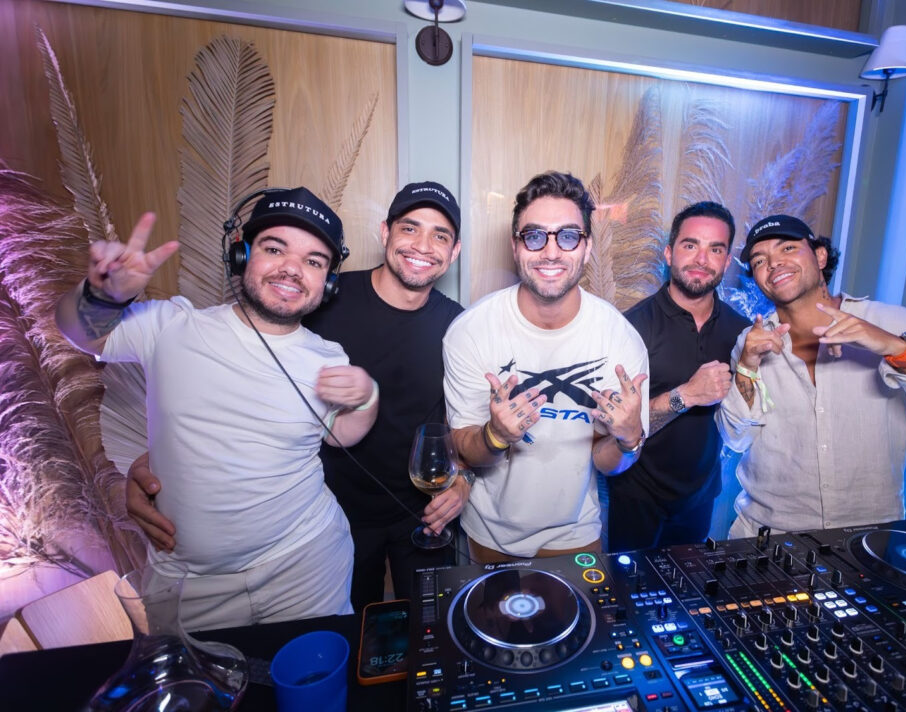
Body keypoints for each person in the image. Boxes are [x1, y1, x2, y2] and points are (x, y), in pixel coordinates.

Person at [125, 182, 468, 613]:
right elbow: (239, 388)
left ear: (454, 252)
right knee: (351, 639)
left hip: (418, 514)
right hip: (331, 512)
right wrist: (156, 463)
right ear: (385, 232)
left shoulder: (460, 326)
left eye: (440, 235)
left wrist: (463, 480)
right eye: (410, 228)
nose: (422, 245)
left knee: (431, 628)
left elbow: (462, 419)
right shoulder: (313, 297)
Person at [56, 187, 378, 630]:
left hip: (306, 565)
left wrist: (367, 395)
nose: (292, 268)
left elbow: (343, 435)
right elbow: (80, 333)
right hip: (192, 586)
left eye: (314, 261)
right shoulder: (171, 326)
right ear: (241, 255)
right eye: (274, 249)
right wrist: (103, 296)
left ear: (329, 281)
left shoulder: (328, 356)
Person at [716, 214, 906, 536]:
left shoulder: (891, 323)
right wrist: (747, 366)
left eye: (787, 248)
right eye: (760, 260)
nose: (774, 263)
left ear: (820, 256)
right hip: (767, 536)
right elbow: (736, 438)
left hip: (869, 540)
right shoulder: (751, 342)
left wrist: (895, 348)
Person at [443, 171, 650, 563]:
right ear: (515, 246)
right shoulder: (470, 331)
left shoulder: (620, 339)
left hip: (576, 531)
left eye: (568, 236)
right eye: (535, 236)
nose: (551, 252)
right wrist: (495, 436)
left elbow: (606, 461)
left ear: (586, 248)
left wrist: (628, 441)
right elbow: (465, 447)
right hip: (490, 532)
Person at [606, 202, 749, 551]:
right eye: (690, 245)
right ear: (669, 253)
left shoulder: (741, 331)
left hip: (701, 498)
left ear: (727, 261)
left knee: (688, 584)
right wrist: (686, 394)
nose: (702, 259)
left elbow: (745, 420)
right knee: (628, 584)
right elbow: (614, 429)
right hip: (635, 497)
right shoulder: (630, 328)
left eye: (715, 249)